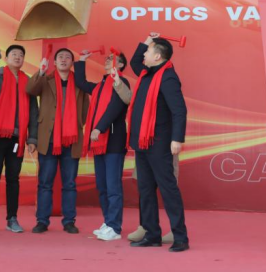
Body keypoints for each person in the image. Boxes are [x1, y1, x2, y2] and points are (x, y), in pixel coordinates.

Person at [127, 32, 190, 252]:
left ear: (157, 56)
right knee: (145, 189)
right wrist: (146, 41)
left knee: (167, 188)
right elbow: (134, 61)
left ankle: (180, 237)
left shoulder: (168, 77)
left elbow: (179, 110)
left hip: (160, 143)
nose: (144, 54)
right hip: (142, 142)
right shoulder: (146, 73)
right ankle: (152, 234)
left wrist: (177, 139)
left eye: (148, 51)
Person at [0, 43, 38, 234]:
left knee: (13, 179)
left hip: (17, 138)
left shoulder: (28, 82)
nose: (18, 57)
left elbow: (33, 112)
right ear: (6, 58)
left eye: (21, 55)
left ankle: (12, 219)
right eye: (14, 54)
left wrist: (32, 138)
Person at [27, 48, 89, 234]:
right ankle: (42, 221)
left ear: (72, 63)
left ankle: (69, 221)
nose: (63, 59)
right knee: (45, 183)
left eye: (67, 57)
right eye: (60, 57)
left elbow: (85, 109)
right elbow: (30, 89)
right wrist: (40, 71)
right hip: (48, 139)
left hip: (71, 140)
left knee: (69, 184)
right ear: (54, 62)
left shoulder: (79, 83)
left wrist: (76, 125)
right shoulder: (45, 80)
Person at [74, 49, 131, 241]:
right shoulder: (100, 86)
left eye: (112, 59)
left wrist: (99, 127)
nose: (107, 61)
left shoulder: (121, 82)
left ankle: (115, 227)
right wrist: (82, 60)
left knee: (113, 186)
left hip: (113, 140)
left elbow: (115, 107)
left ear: (120, 65)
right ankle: (108, 221)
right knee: (102, 185)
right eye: (107, 59)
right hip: (99, 142)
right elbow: (81, 83)